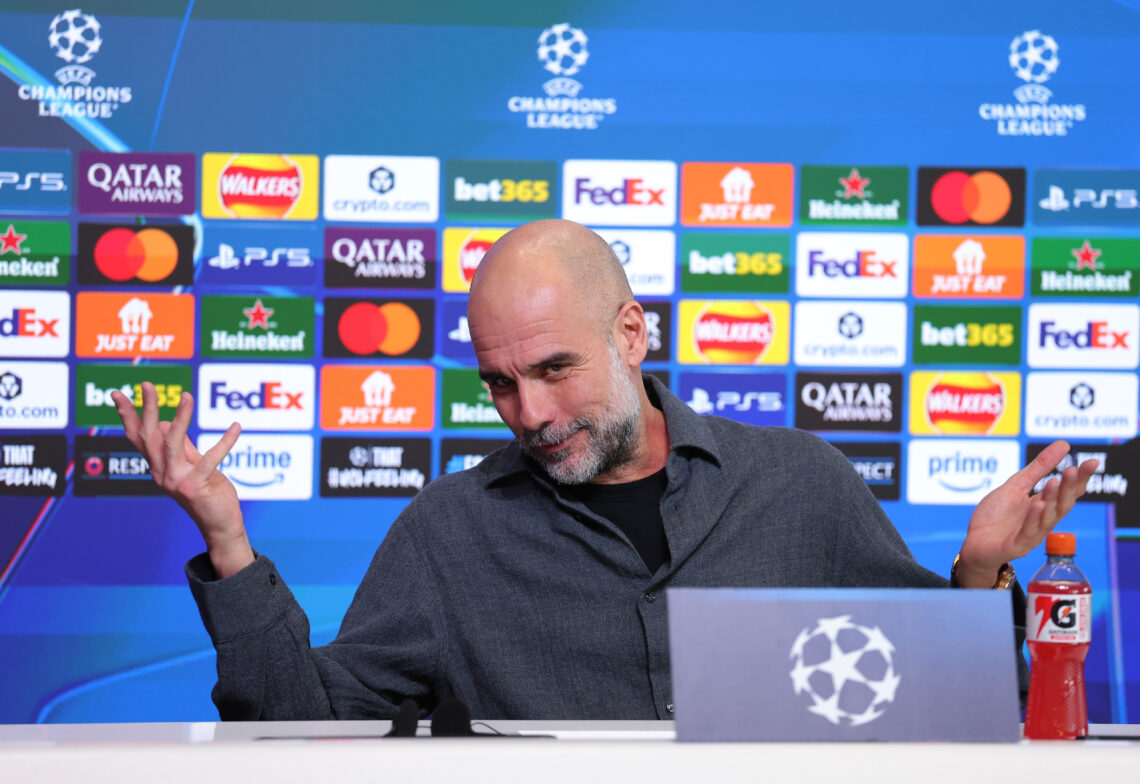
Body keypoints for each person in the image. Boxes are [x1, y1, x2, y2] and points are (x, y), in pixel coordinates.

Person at [112, 219, 1097, 721]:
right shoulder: (449, 534)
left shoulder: (802, 485)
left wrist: (976, 582)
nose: (530, 412)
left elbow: (937, 705)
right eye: (499, 383)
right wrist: (229, 544)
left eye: (553, 369)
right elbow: (302, 729)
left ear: (631, 332)